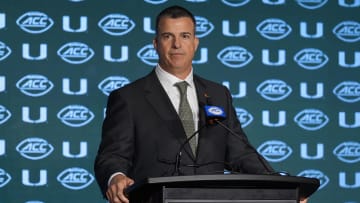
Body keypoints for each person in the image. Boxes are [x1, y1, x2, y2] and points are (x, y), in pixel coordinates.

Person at [94, 5, 308, 203]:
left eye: (185, 36)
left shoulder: (217, 94)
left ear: (195, 43)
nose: (177, 44)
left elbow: (240, 152)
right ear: (156, 44)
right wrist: (116, 177)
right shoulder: (129, 97)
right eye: (168, 36)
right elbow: (112, 155)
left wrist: (281, 188)